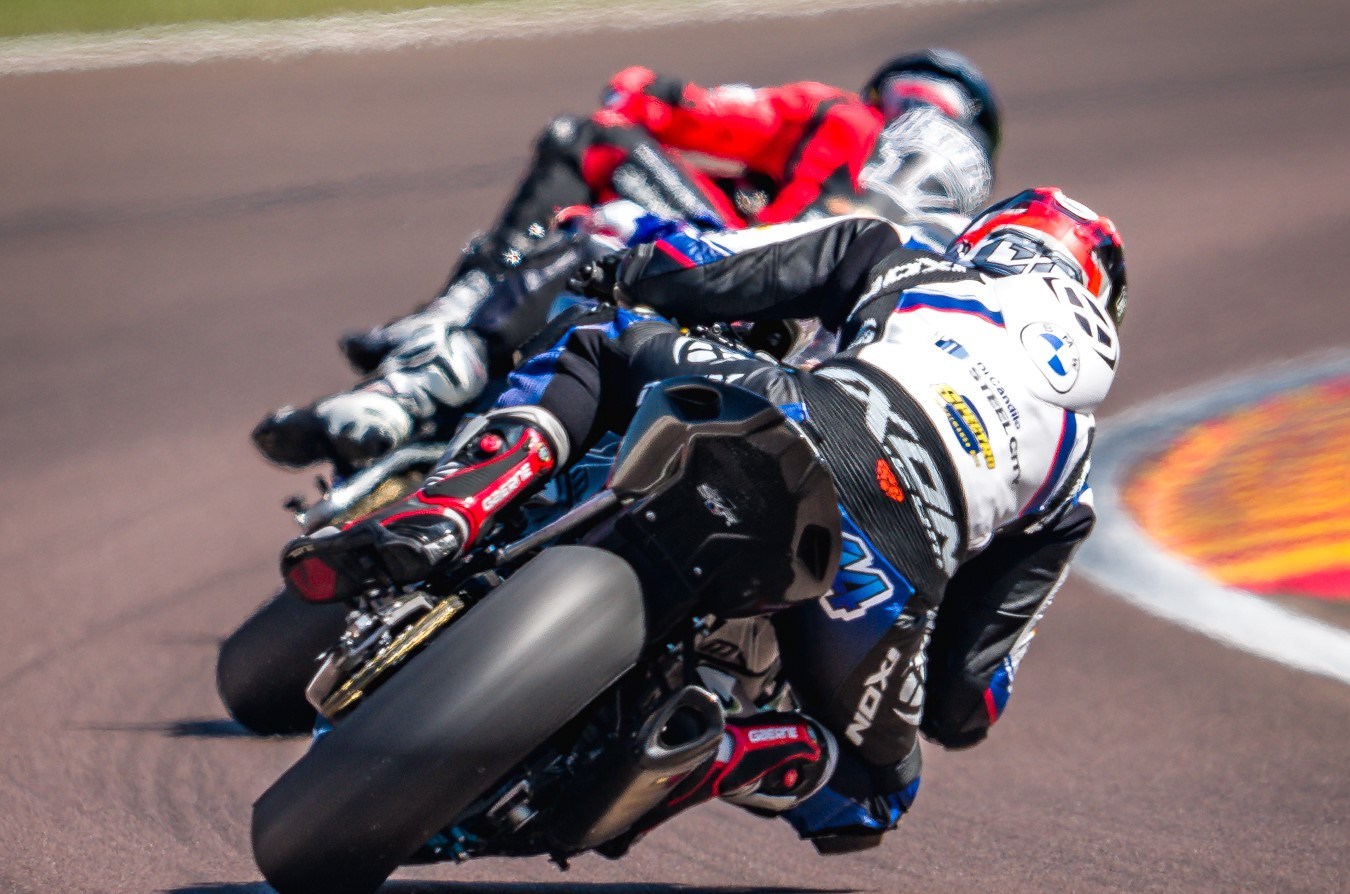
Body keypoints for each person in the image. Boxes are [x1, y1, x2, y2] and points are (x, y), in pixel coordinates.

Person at [279, 186, 1126, 853]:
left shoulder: (911, 257)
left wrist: (627, 272)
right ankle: (705, 754)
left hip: (802, 409)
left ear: (990, 235)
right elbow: (967, 699)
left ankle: (449, 510)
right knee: (875, 795)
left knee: (593, 340)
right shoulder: (1074, 477)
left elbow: (712, 268)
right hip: (887, 575)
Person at [252, 49, 1001, 471]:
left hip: (727, 271)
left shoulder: (844, 115)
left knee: (592, 154)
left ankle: (447, 337)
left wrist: (643, 90)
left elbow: (684, 109)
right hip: (811, 383)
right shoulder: (964, 248)